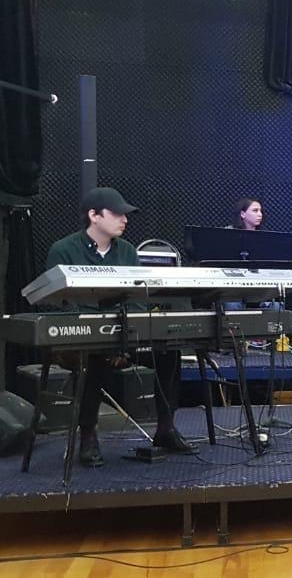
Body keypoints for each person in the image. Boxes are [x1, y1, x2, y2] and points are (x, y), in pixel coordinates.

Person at [43, 187, 194, 467]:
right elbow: (58, 306)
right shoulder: (63, 250)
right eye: (117, 214)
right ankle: (88, 435)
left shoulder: (127, 251)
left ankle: (165, 428)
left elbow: (137, 302)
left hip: (124, 338)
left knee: (168, 352)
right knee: (93, 357)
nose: (124, 220)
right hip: (80, 341)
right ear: (94, 216)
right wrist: (107, 336)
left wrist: (125, 339)